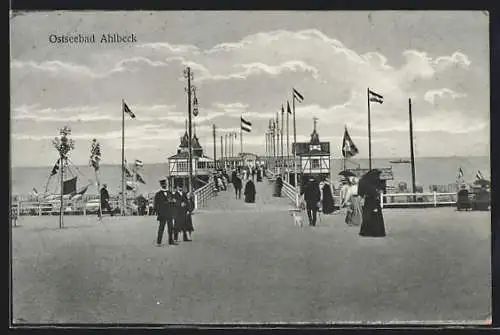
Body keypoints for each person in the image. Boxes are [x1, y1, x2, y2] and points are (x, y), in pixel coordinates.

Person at [358, 169, 386, 237]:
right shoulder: (374, 182)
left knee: (367, 216)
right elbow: (376, 192)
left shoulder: (364, 181)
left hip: (367, 201)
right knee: (376, 217)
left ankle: (366, 232)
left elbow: (360, 193)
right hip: (374, 201)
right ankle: (377, 232)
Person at [153, 179, 177, 246]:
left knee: (170, 228)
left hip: (169, 213)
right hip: (162, 214)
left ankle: (171, 241)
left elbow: (173, 202)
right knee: (161, 228)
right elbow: (156, 205)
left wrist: (173, 202)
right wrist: (158, 212)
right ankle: (159, 242)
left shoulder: (169, 193)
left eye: (165, 184)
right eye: (163, 184)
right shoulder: (158, 194)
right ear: (161, 185)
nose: (164, 185)